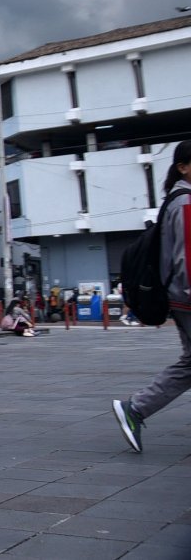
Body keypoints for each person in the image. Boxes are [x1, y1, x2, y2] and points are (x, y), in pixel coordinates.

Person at [114, 140, 191, 453]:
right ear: (183, 167)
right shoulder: (185, 202)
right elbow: (187, 259)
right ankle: (135, 408)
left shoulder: (178, 199)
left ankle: (136, 408)